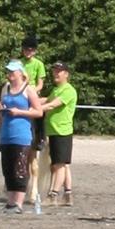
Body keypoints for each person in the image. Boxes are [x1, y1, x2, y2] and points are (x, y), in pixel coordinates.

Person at [0, 60, 43, 213]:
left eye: (13, 72)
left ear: (20, 73)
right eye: (8, 72)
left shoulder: (28, 90)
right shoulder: (6, 89)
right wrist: (1, 111)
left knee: (20, 169)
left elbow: (38, 112)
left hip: (21, 134)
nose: (10, 75)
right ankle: (10, 202)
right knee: (7, 169)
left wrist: (20, 112)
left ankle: (19, 203)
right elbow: (4, 107)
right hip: (6, 134)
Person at [40, 60, 78, 205]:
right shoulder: (56, 90)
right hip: (54, 131)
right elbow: (47, 100)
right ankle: (68, 194)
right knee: (62, 164)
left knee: (59, 165)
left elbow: (52, 105)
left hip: (62, 131)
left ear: (66, 74)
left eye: (58, 71)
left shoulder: (68, 90)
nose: (55, 73)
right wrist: (31, 100)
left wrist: (33, 111)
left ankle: (53, 195)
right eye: (54, 70)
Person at [20, 34, 47, 202]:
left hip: (32, 94)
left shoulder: (38, 64)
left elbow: (40, 83)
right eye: (26, 49)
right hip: (20, 93)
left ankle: (40, 138)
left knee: (40, 113)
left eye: (31, 49)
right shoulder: (18, 64)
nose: (28, 52)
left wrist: (33, 91)